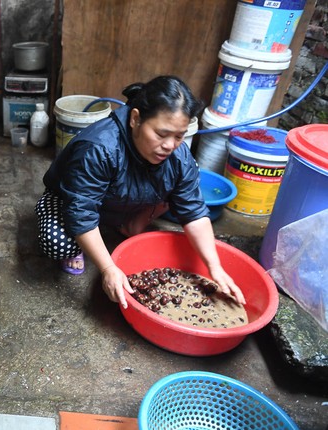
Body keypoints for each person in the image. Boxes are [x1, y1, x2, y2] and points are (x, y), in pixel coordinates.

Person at [35, 75, 245, 309]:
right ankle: (86, 242)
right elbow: (81, 212)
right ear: (135, 119)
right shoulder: (98, 148)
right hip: (72, 201)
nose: (169, 145)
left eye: (179, 135)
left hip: (123, 199)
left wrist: (214, 267)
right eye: (161, 134)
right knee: (58, 242)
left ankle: (132, 220)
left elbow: (194, 212)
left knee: (188, 169)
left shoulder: (177, 154)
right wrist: (108, 269)